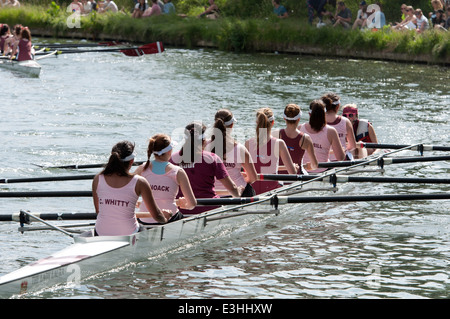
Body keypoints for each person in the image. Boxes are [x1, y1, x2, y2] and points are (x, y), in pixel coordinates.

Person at [93, 141, 171, 236]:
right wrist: (166, 220)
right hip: (129, 234)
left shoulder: (98, 178)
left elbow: (98, 212)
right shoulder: (140, 182)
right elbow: (157, 215)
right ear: (131, 161)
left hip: (101, 233)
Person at [171, 121, 240, 215]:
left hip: (181, 211)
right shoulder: (212, 158)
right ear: (203, 141)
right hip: (209, 209)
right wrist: (238, 199)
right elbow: (232, 187)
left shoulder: (172, 159)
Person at [135, 134, 196, 225]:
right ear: (170, 151)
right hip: (169, 219)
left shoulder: (141, 169)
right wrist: (185, 205)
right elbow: (192, 204)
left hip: (144, 219)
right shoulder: (178, 172)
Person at [206, 109, 258, 197]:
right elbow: (253, 178)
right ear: (232, 125)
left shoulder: (204, 146)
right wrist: (245, 178)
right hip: (237, 193)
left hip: (213, 195)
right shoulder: (240, 149)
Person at [245, 108, 297, 194]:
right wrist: (294, 168)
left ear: (257, 123)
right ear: (272, 123)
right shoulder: (279, 143)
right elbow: (292, 174)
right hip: (271, 191)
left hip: (252, 192)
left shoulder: (248, 143)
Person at [299, 99, 345, 173]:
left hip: (303, 172)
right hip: (322, 172)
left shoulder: (300, 128)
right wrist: (343, 151)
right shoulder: (331, 131)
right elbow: (340, 158)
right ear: (324, 114)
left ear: (309, 114)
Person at [272, 104, 319, 174]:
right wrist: (306, 166)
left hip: (277, 178)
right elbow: (315, 165)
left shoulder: (275, 134)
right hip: (295, 179)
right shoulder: (306, 138)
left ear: (284, 118)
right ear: (298, 119)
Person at [322, 93, 356, 160]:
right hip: (341, 160)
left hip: (322, 160)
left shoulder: (317, 120)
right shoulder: (345, 121)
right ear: (338, 106)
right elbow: (352, 146)